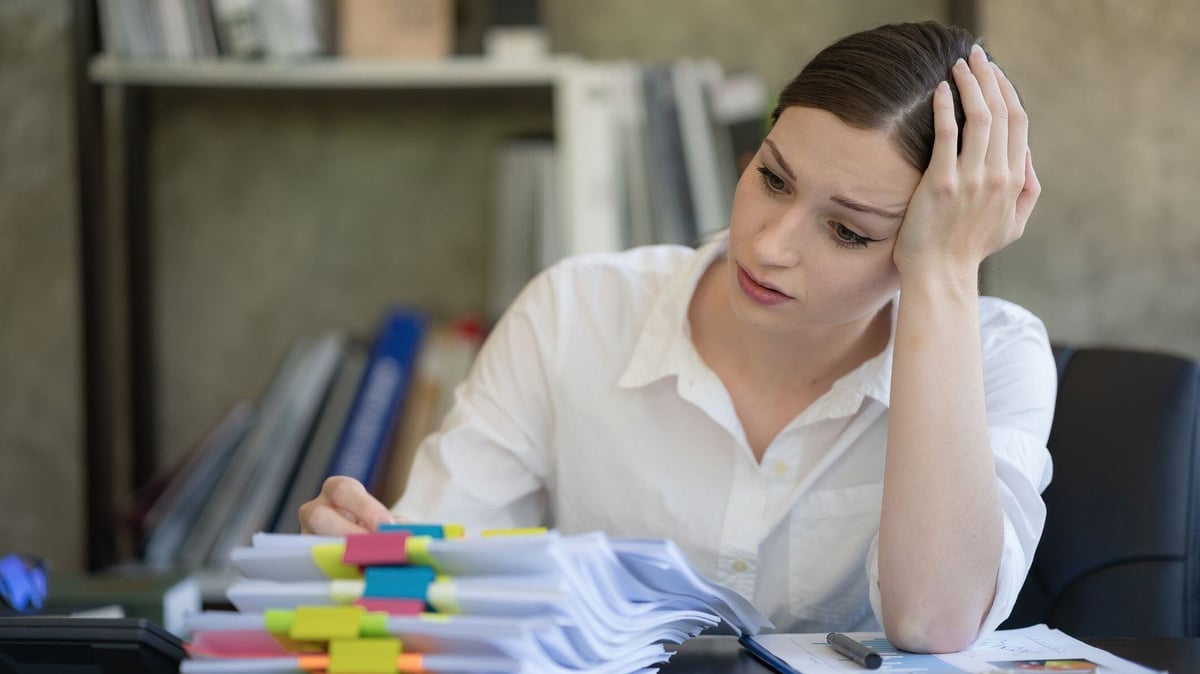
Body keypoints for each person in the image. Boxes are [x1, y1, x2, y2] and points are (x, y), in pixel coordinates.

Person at [299, 21, 1054, 654]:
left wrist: (948, 275)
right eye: (774, 179)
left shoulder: (997, 354)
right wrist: (369, 556)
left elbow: (933, 621)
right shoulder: (575, 310)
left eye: (848, 231)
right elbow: (432, 572)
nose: (767, 245)